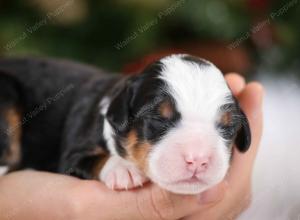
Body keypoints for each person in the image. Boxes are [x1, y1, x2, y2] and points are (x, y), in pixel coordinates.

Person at [0, 73, 264, 220]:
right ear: (120, 119)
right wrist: (105, 164)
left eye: (225, 127)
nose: (198, 157)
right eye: (160, 121)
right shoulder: (102, 118)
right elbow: (74, 160)